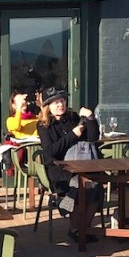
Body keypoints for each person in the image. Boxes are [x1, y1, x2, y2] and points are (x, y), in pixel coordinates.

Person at [36, 87, 101, 244]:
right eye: (56, 102)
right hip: (59, 169)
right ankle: (75, 229)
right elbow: (50, 151)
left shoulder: (72, 117)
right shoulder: (44, 125)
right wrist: (73, 135)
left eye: (63, 101)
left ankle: (83, 228)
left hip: (80, 165)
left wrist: (90, 118)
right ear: (48, 106)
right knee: (79, 185)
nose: (61, 105)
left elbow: (92, 138)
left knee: (96, 186)